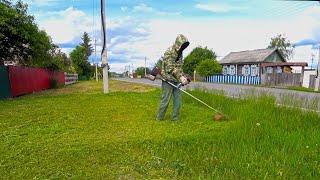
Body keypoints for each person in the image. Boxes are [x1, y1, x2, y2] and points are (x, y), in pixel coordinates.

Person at [156, 34, 190, 121]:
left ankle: (175, 118)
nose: (183, 47)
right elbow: (169, 68)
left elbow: (179, 67)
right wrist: (180, 77)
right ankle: (159, 118)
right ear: (178, 43)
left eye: (184, 46)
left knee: (178, 100)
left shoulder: (180, 53)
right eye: (182, 45)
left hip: (176, 80)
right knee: (165, 100)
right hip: (167, 79)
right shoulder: (169, 52)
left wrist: (183, 77)